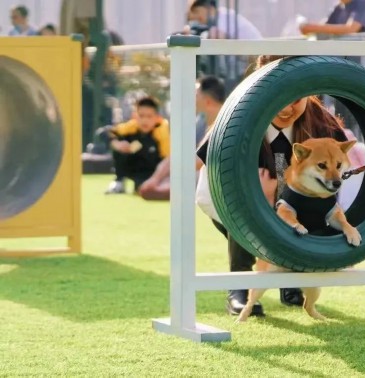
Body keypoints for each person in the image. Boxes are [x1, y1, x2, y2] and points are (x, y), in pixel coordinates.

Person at [196, 55, 352, 317]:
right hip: (228, 194)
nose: (285, 109)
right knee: (247, 216)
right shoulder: (239, 111)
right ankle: (240, 287)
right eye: (277, 98)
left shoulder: (321, 122)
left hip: (290, 194)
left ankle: (291, 279)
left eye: (295, 99)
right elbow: (199, 162)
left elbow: (339, 162)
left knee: (303, 212)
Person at [138, 75, 226, 201]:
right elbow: (178, 154)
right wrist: (155, 179)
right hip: (190, 173)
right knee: (154, 186)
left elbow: (200, 163)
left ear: (207, 101)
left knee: (169, 185)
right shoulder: (200, 122)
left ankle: (171, 191)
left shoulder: (226, 124)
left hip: (212, 177)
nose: (193, 99)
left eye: (196, 95)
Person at [105, 97, 170, 194]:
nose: (145, 120)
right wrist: (117, 144)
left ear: (157, 117)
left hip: (153, 170)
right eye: (141, 116)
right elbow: (109, 132)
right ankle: (119, 181)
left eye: (149, 116)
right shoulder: (131, 126)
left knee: (143, 190)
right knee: (120, 141)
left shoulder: (162, 130)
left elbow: (167, 159)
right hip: (134, 166)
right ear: (135, 116)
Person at [298, 0, 365, 76]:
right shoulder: (338, 8)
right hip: (345, 68)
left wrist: (313, 28)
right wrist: (309, 27)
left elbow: (351, 28)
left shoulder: (362, 4)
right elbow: (323, 28)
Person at [186, 0, 262, 40]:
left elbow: (217, 35)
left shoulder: (224, 18)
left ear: (211, 9)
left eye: (197, 11)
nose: (196, 17)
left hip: (255, 53)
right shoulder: (220, 16)